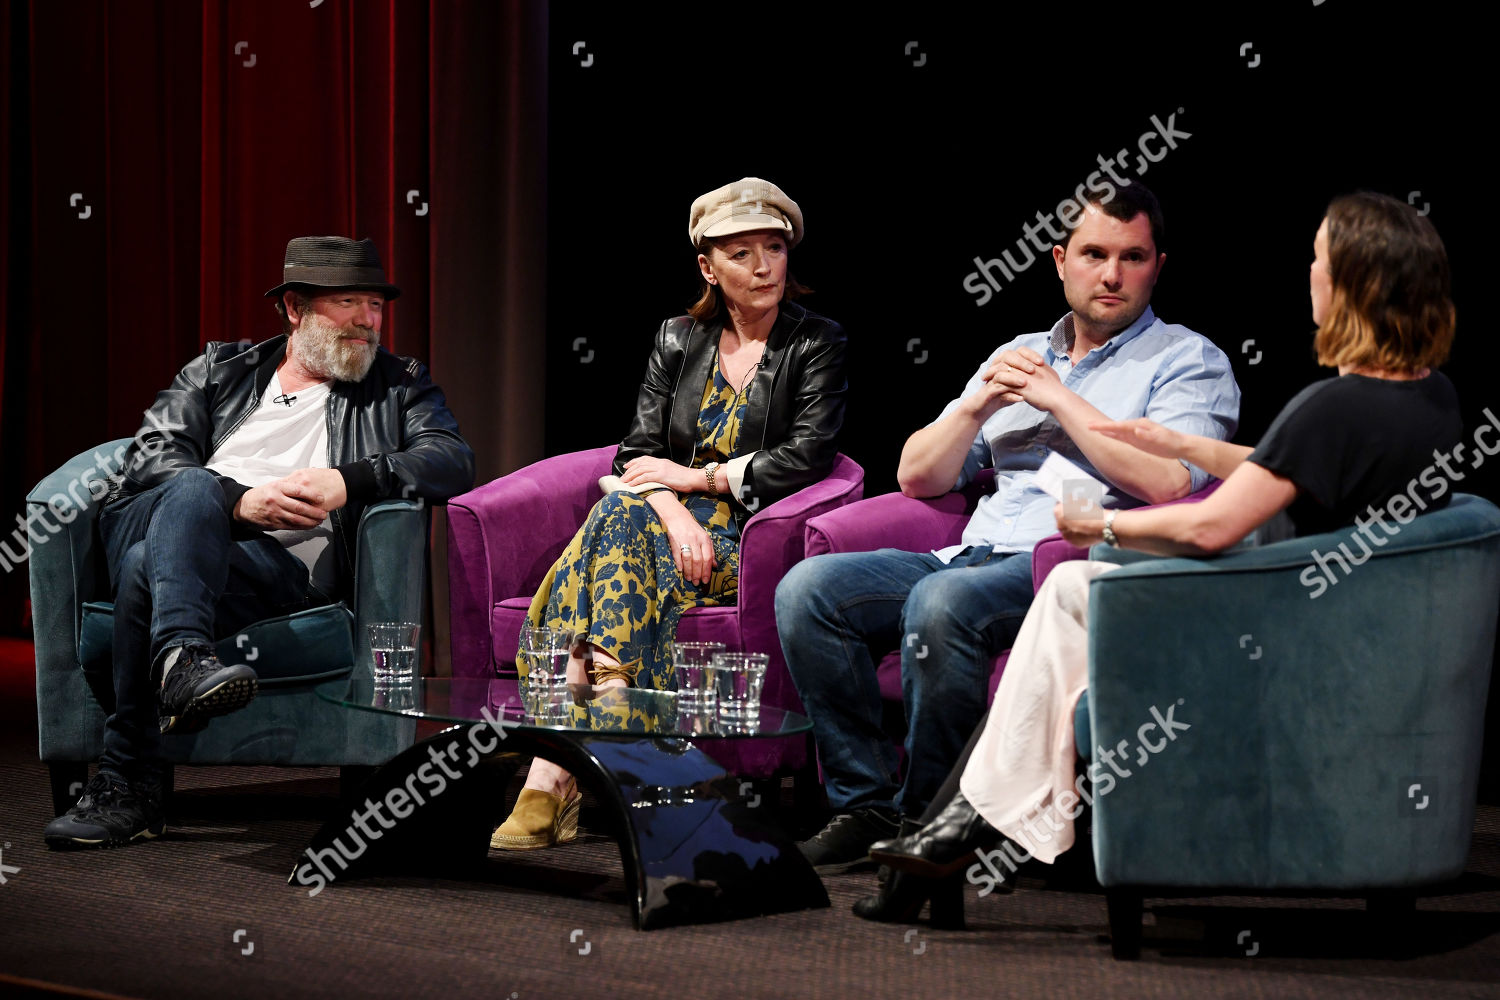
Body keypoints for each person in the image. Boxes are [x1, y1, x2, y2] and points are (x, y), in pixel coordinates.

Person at [855, 191, 1462, 924]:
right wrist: (1185, 444)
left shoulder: (1330, 406)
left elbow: (1209, 528)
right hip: (1345, 627)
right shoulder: (1426, 397)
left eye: (1319, 260)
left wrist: (1102, 527)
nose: (1310, 275)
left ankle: (966, 826)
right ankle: (963, 825)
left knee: (1079, 580)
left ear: (1357, 284)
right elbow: (1299, 462)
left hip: (1279, 636)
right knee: (1075, 592)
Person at [776, 181, 1243, 874]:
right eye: (1093, 254)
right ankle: (864, 803)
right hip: (968, 551)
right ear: (1060, 260)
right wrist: (977, 405)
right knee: (808, 592)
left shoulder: (1187, 361)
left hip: (1065, 565)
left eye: (1132, 256)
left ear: (1158, 266)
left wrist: (1062, 402)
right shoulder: (1021, 351)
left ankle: (930, 822)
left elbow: (1172, 482)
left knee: (943, 607)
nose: (1111, 274)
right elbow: (918, 476)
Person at [43, 237, 476, 849]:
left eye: (375, 305)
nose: (367, 320)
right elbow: (150, 458)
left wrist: (346, 480)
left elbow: (452, 459)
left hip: (267, 576)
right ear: (295, 308)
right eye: (347, 302)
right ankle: (180, 667)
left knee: (147, 567)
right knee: (190, 492)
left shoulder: (398, 385)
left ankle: (130, 777)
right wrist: (236, 502)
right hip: (167, 521)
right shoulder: (218, 371)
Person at [491, 177, 849, 850]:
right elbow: (637, 452)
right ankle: (607, 745)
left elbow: (807, 457)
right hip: (671, 533)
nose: (765, 266)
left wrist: (698, 481)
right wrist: (674, 510)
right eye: (742, 254)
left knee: (609, 525)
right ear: (708, 267)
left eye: (774, 248)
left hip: (745, 536)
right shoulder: (679, 338)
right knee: (623, 520)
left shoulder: (816, 343)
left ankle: (551, 777)